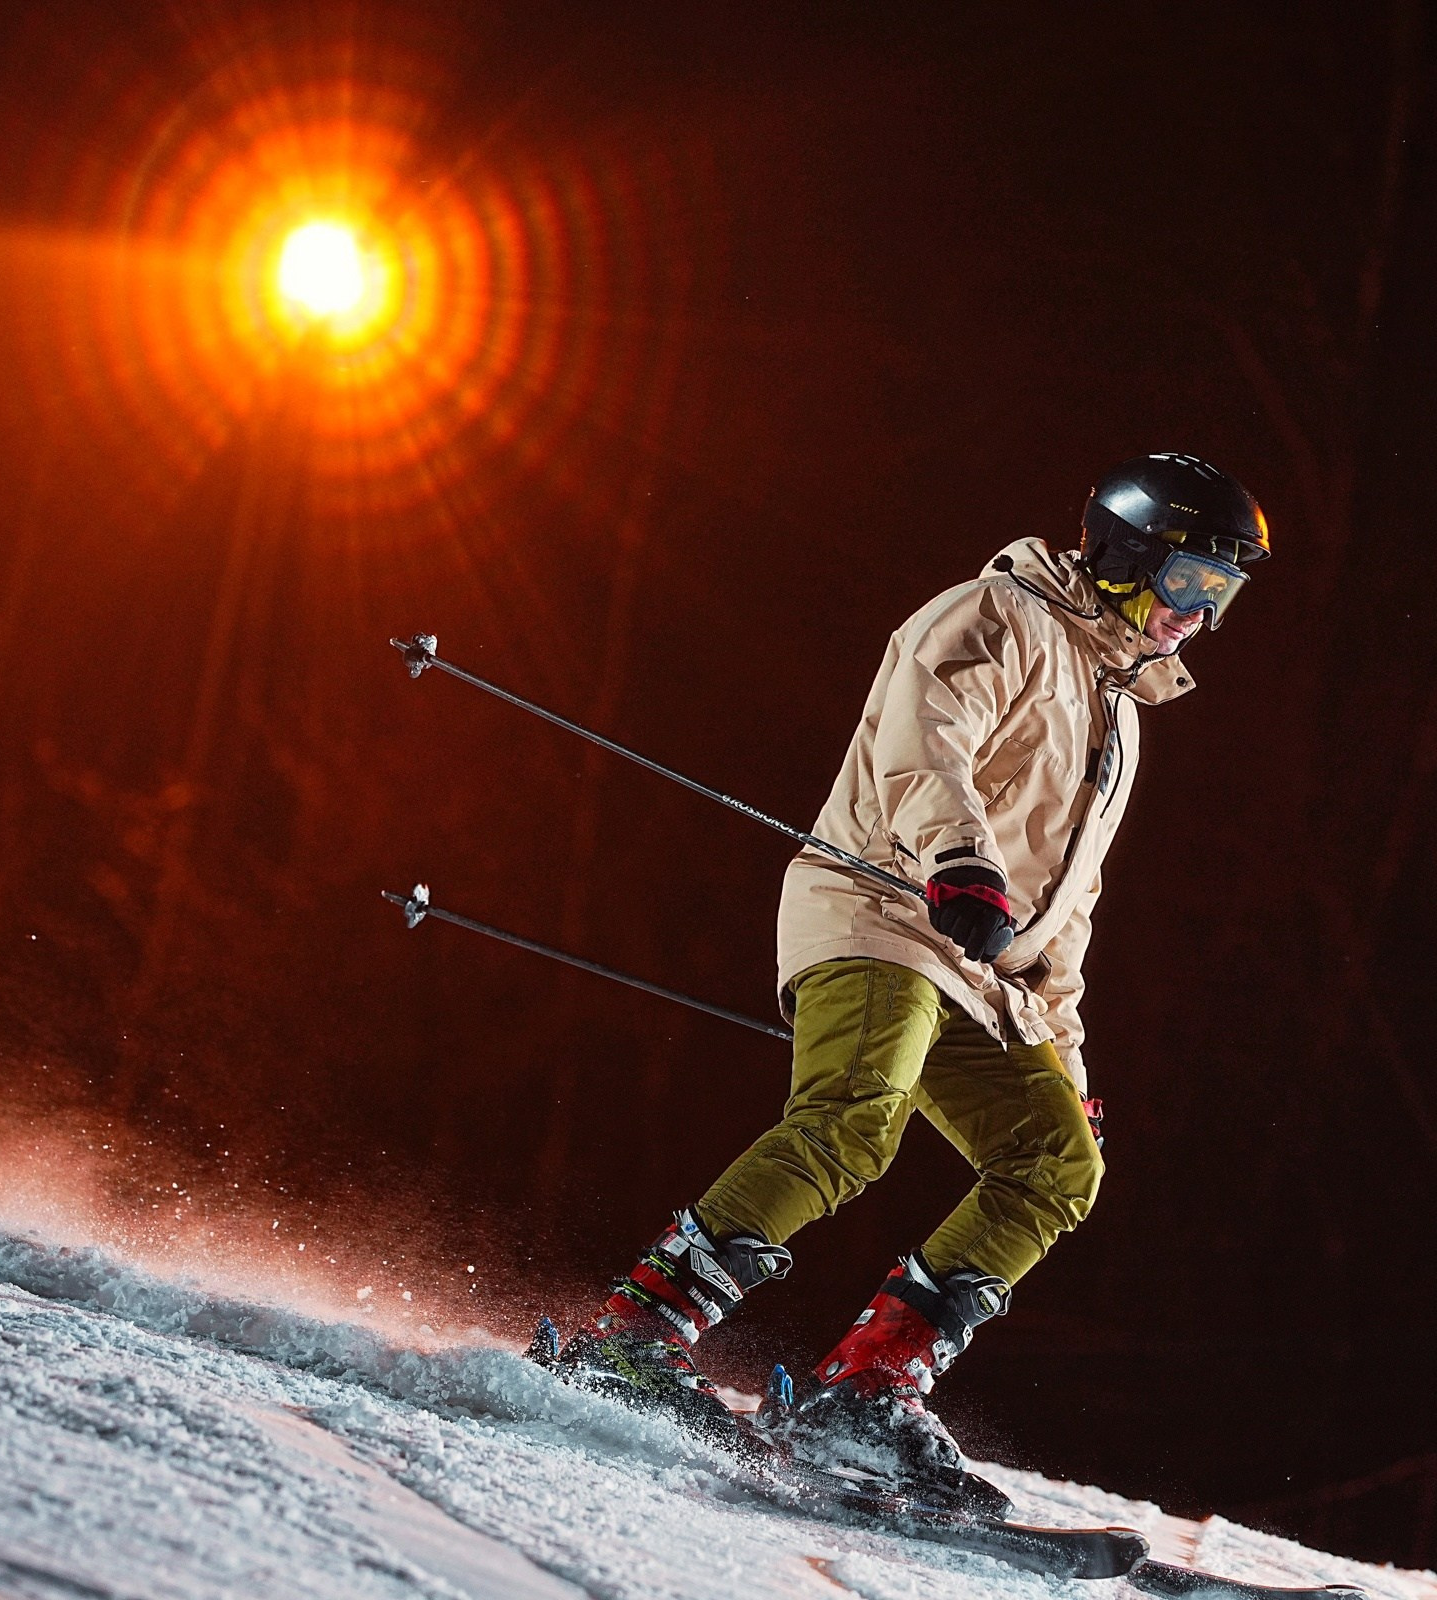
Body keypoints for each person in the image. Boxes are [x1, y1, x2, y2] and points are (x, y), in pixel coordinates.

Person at [532, 452, 1270, 1504]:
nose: (1199, 615)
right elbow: (927, 742)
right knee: (856, 1117)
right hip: (882, 902)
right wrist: (958, 860)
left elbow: (1067, 912)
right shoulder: (994, 615)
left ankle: (861, 1396)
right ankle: (629, 1336)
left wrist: (1062, 1054)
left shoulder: (1124, 712)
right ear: (1126, 554)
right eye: (1190, 581)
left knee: (1058, 1161)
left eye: (1223, 595)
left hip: (980, 961)